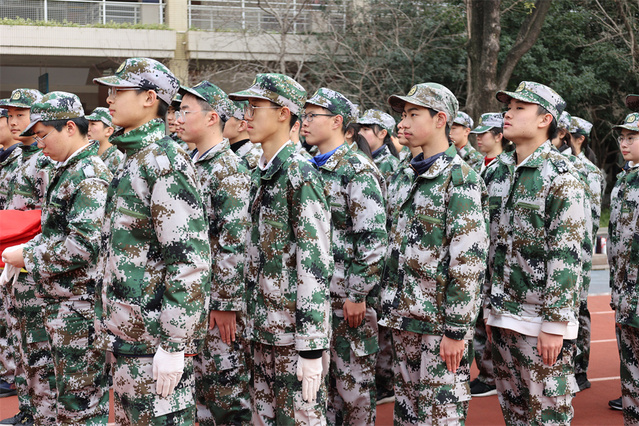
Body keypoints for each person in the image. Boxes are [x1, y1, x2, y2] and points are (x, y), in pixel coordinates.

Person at [93, 57, 211, 425]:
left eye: (119, 90)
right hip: (132, 340)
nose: (109, 99)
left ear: (149, 98)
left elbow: (189, 259)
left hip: (154, 341)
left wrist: (175, 344)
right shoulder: (134, 158)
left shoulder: (163, 161)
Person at [381, 82, 489, 424]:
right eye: (403, 114)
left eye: (413, 114)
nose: (403, 123)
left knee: (441, 416)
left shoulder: (460, 179)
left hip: (438, 327)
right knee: (407, 415)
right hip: (404, 319)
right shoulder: (405, 174)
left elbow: (468, 261)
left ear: (440, 119)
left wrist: (456, 330)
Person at [229, 73, 333, 425]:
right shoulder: (259, 172)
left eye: (255, 107)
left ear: (283, 114)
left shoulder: (299, 174)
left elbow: (315, 260)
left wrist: (311, 345)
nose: (246, 116)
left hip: (292, 336)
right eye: (245, 108)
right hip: (262, 330)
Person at [2, 91, 111, 424]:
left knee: (79, 407)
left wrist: (27, 255)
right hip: (61, 304)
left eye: (43, 135)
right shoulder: (68, 170)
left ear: (69, 127)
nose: (40, 144)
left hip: (79, 308)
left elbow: (84, 245)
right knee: (57, 402)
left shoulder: (88, 174)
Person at [483, 81, 585, 424]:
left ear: (545, 119)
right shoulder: (496, 172)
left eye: (519, 108)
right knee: (515, 415)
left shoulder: (561, 175)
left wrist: (555, 324)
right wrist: (488, 307)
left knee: (547, 416)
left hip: (540, 322)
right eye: (507, 107)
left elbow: (566, 254)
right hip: (502, 315)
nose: (507, 114)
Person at [302, 87, 387, 425]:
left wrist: (357, 294)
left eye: (313, 116)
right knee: (318, 393)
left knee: (353, 392)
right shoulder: (307, 166)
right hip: (314, 299)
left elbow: (373, 238)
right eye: (304, 115)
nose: (305, 122)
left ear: (337, 121)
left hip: (345, 302)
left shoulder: (357, 170)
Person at [176, 80, 252, 425]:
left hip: (216, 304)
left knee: (225, 392)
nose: (178, 118)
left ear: (211, 118)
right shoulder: (187, 163)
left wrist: (225, 303)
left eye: (186, 111)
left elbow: (232, 242)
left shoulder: (228, 169)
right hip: (191, 298)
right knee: (198, 392)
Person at [0, 88, 57, 426]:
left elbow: (46, 218)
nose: (14, 121)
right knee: (21, 341)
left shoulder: (46, 161)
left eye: (21, 115)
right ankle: (28, 409)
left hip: (36, 265)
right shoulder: (20, 159)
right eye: (11, 115)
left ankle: (40, 413)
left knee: (39, 349)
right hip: (15, 262)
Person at [608, 100, 639, 422]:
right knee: (630, 364)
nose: (624, 142)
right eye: (622, 137)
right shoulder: (624, 180)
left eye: (632, 137)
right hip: (625, 293)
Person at [0, 107, 18, 399]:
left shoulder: (27, 159)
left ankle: (11, 374)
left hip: (17, 248)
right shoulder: (7, 159)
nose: (14, 123)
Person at [357, 109, 400, 183]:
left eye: (366, 129)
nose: (359, 133)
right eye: (359, 129)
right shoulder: (358, 157)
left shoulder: (390, 165)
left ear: (382, 134)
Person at [222, 98, 263, 170]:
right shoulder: (225, 150)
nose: (216, 122)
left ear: (241, 125)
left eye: (223, 119)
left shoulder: (254, 158)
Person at [86, 107, 123, 174]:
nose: (88, 129)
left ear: (108, 131)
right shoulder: (87, 155)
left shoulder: (118, 160)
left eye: (93, 124)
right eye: (88, 124)